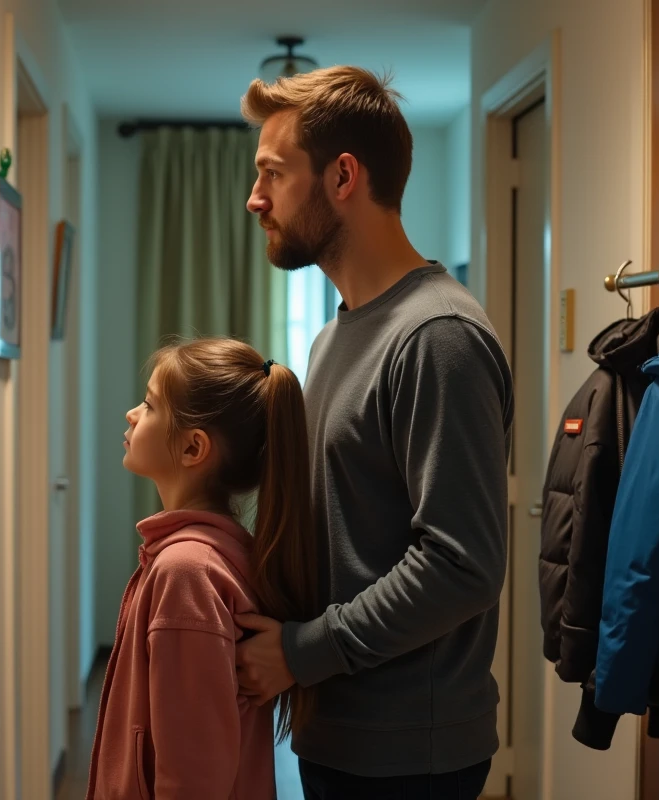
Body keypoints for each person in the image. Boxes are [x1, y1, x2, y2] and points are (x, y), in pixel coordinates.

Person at [233, 65, 515, 800]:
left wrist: (302, 651)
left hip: (408, 762)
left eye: (273, 173)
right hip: (342, 733)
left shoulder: (437, 337)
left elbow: (462, 566)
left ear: (343, 176)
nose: (254, 198)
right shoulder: (337, 336)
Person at [86, 337, 319, 800]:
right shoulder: (207, 555)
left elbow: (195, 778)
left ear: (193, 448)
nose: (132, 414)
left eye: (150, 406)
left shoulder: (186, 573)